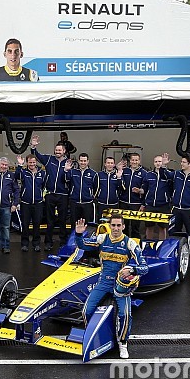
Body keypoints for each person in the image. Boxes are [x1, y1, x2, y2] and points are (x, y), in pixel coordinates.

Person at [72, 213, 148, 359]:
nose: (116, 228)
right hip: (103, 282)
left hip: (121, 285)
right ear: (109, 226)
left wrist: (132, 269)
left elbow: (145, 267)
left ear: (123, 226)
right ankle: (92, 335)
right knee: (86, 310)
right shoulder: (102, 239)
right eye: (113, 225)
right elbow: (82, 245)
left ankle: (123, 343)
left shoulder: (130, 243)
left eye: (119, 225)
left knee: (124, 315)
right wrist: (78, 234)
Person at [30, 134, 70, 251]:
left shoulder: (68, 163)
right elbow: (36, 155)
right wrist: (33, 146)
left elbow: (70, 179)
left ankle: (63, 242)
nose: (57, 151)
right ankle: (48, 242)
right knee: (49, 220)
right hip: (50, 194)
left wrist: (67, 170)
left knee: (62, 220)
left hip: (63, 195)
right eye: (56, 150)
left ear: (64, 151)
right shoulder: (49, 159)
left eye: (60, 150)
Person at [139, 153, 174, 241]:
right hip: (150, 205)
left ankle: (162, 245)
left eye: (160, 161)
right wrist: (140, 192)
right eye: (156, 162)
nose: (158, 163)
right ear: (153, 163)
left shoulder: (169, 175)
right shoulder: (149, 174)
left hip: (163, 205)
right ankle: (148, 244)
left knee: (162, 228)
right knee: (149, 227)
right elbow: (145, 190)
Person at [15, 154, 46, 252]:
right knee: (25, 224)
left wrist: (41, 196)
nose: (32, 164)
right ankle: (24, 244)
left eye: (33, 162)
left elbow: (44, 185)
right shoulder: (23, 172)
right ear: (27, 162)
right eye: (30, 162)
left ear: (36, 162)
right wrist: (20, 165)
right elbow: (16, 176)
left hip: (38, 203)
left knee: (37, 224)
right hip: (25, 203)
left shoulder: (42, 173)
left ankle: (36, 244)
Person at [66, 152, 96, 231]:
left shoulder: (93, 174)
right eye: (81, 161)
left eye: (84, 161)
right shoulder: (73, 172)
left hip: (87, 203)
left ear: (88, 161)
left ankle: (85, 242)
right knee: (74, 224)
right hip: (74, 202)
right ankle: (74, 241)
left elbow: (96, 187)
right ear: (78, 161)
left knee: (87, 224)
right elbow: (66, 180)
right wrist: (66, 170)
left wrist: (91, 196)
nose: (83, 163)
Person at [119, 153, 146, 239]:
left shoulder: (144, 173)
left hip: (136, 204)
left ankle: (135, 247)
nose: (134, 162)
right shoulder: (125, 171)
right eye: (133, 160)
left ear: (139, 161)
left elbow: (147, 190)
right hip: (124, 202)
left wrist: (143, 203)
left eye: (136, 160)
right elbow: (119, 184)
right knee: (124, 226)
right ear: (130, 161)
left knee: (135, 227)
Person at [94, 156, 123, 224]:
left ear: (114, 164)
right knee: (101, 223)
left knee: (113, 223)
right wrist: (96, 198)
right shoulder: (99, 175)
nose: (110, 165)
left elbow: (122, 188)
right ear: (105, 164)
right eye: (108, 163)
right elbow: (95, 188)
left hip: (114, 204)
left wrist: (119, 178)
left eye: (111, 163)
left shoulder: (118, 174)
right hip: (102, 203)